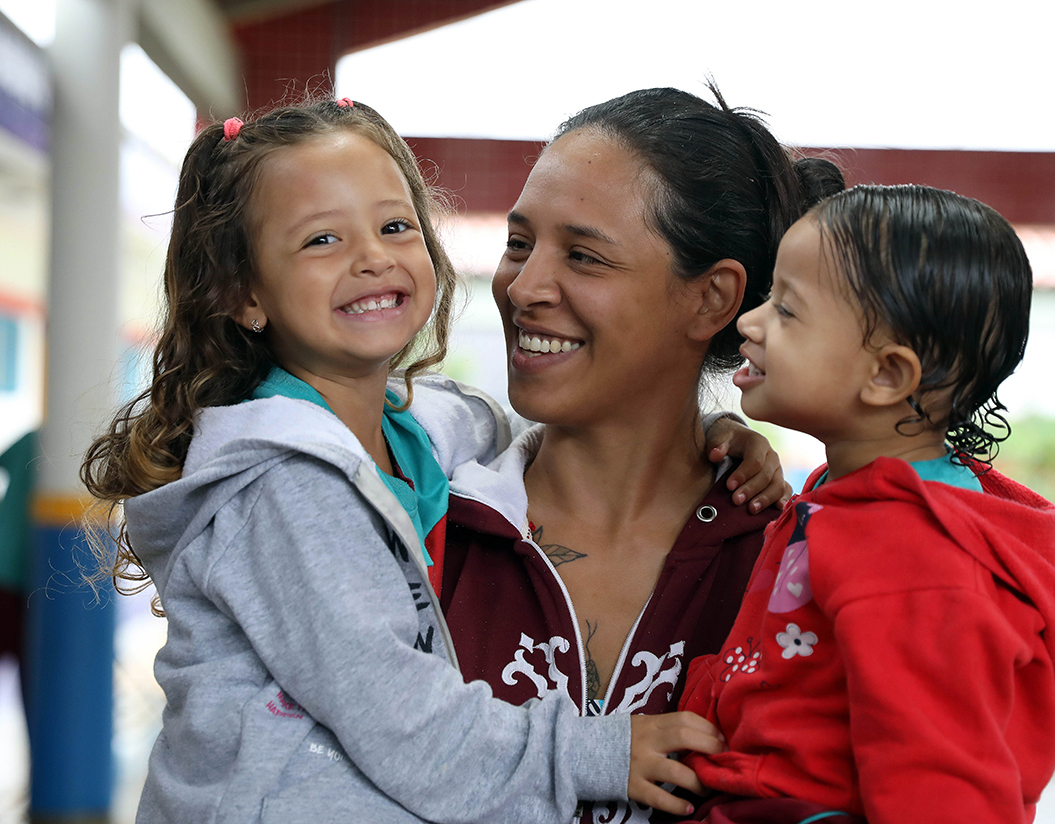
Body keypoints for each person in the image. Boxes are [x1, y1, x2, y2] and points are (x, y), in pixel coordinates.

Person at [79, 98, 729, 824]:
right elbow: (400, 717)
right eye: (321, 239)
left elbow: (580, 419)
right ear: (244, 293)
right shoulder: (285, 483)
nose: (372, 257)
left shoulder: (420, 428)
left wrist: (717, 433)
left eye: (395, 226)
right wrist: (595, 753)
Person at [438, 86, 845, 824]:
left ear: (710, 299)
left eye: (584, 257)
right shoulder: (421, 525)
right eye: (518, 243)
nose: (523, 287)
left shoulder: (791, 569)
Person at [677, 184, 1055, 824]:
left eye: (788, 310)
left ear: (886, 375)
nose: (750, 321)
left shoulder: (916, 557)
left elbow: (944, 787)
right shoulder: (847, 492)